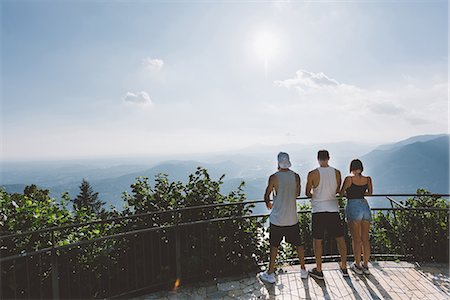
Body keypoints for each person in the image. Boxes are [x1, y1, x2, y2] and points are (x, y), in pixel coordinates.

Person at [259, 152, 308, 284]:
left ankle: (270, 273)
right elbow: (297, 194)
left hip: (277, 218)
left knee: (274, 246)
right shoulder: (296, 176)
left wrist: (269, 203)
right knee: (299, 244)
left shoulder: (274, 177)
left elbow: (267, 194)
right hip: (292, 217)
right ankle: (303, 269)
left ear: (278, 162)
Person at [305, 150, 348, 279]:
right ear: (329, 158)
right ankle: (344, 267)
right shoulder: (337, 173)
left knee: (318, 241)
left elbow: (307, 192)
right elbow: (337, 190)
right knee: (340, 239)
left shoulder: (312, 174)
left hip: (318, 210)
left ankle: (319, 270)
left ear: (317, 158)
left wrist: (316, 195)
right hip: (333, 209)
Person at [340, 159, 373, 275]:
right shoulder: (367, 179)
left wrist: (349, 194)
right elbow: (370, 193)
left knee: (356, 239)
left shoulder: (349, 179)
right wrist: (361, 194)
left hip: (353, 206)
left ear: (351, 168)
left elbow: (341, 192)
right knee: (365, 239)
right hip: (365, 206)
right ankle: (366, 266)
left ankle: (357, 265)